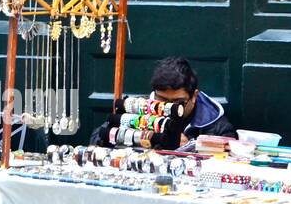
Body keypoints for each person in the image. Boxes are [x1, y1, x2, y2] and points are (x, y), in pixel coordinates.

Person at [90, 56, 237, 148]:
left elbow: (227, 160)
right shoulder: (139, 107)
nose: (168, 107)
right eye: (162, 100)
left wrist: (192, 148)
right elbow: (97, 137)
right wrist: (135, 135)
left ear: (194, 96)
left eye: (178, 102)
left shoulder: (216, 125)